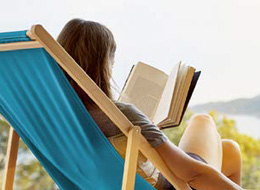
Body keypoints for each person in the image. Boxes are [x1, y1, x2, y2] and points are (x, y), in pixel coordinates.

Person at [57, 18, 243, 190]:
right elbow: (192, 174)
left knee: (229, 149)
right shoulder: (121, 114)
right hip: (170, 183)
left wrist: (148, 136)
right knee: (203, 120)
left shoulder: (55, 115)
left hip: (108, 181)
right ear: (104, 65)